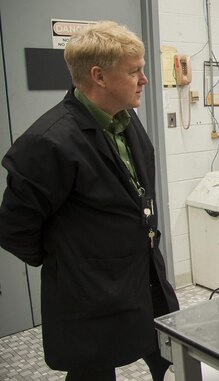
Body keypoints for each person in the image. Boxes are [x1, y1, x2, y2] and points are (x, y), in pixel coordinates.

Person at [0, 21, 179, 380]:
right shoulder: (49, 142)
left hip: (143, 275)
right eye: (134, 71)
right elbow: (14, 228)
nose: (144, 79)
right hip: (89, 291)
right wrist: (70, 262)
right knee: (93, 371)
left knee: (168, 353)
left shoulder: (126, 120)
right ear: (99, 76)